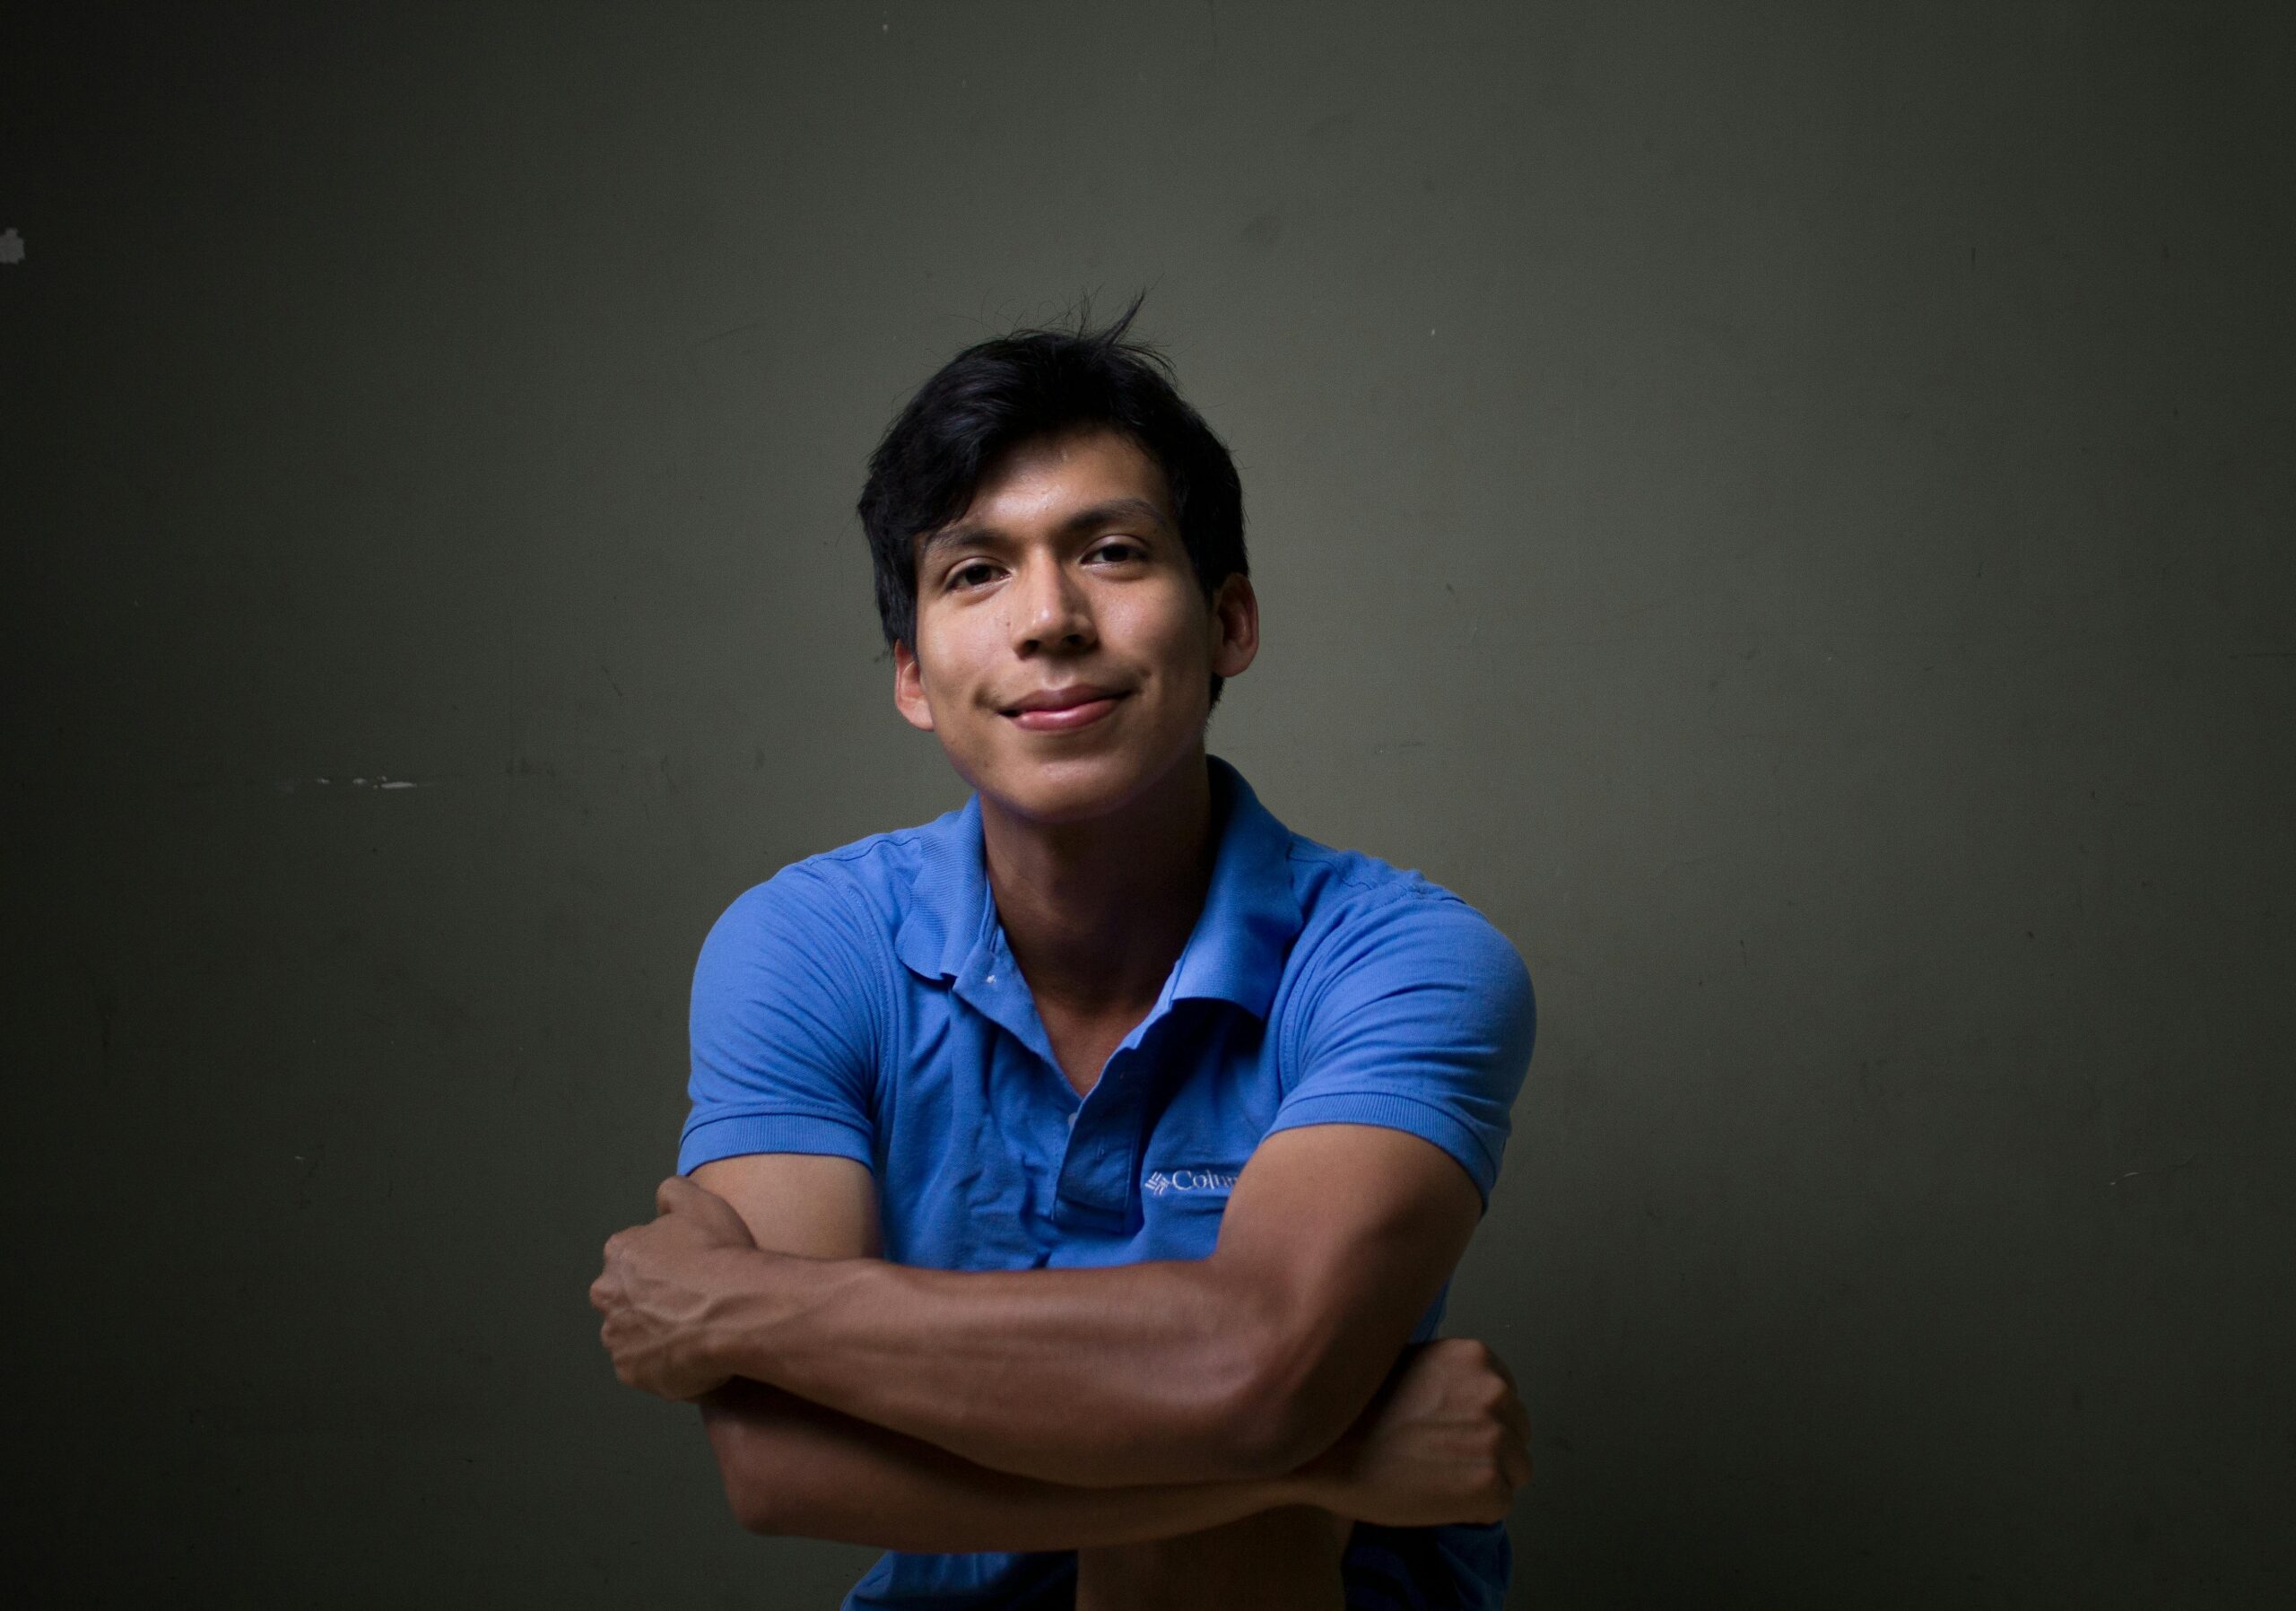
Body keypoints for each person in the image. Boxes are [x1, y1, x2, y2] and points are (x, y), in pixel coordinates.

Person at [589, 304, 1537, 1609]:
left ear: (1232, 622)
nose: (1049, 619)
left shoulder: (1401, 957)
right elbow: (778, 1464)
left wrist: (740, 1310)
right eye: (975, 572)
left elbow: (1251, 1364)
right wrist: (1323, 1462)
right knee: (1214, 1451)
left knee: (1213, 1533)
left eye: (1111, 552)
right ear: (915, 675)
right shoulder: (805, 943)